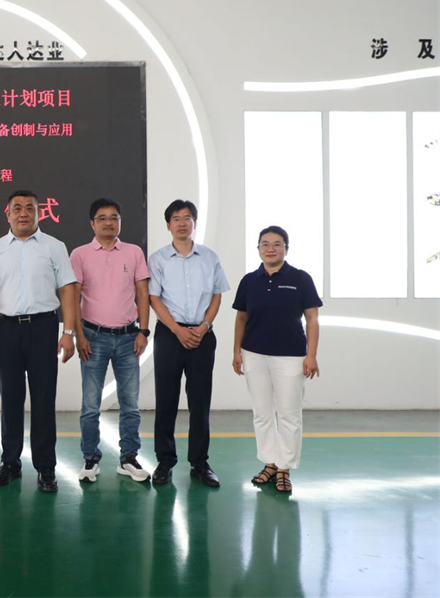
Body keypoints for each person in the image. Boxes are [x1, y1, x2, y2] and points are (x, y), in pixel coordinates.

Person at [0, 189, 78, 493]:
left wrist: (68, 332)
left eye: (30, 208)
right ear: (7, 213)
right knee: (10, 398)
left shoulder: (54, 246)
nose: (23, 213)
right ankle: (10, 462)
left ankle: (46, 467)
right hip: (6, 330)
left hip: (43, 328)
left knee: (44, 399)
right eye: (17, 208)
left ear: (38, 213)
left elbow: (67, 290)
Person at [232, 226, 321, 494]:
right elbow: (241, 318)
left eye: (277, 244)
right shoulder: (249, 281)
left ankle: (285, 468)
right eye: (265, 244)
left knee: (289, 414)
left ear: (286, 248)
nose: (271, 249)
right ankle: (270, 462)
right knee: (262, 413)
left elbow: (312, 319)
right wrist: (236, 352)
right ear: (258, 248)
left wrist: (312, 355)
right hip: (254, 354)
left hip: (291, 356)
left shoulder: (300, 278)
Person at [148, 199, 229, 487]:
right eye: (176, 218)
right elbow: (154, 298)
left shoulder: (209, 257)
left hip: (202, 336)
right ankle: (165, 462)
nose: (182, 223)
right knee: (166, 400)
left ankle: (200, 462)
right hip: (169, 335)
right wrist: (177, 330)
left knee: (200, 401)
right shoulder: (158, 259)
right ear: (168, 225)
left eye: (187, 218)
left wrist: (204, 326)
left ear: (194, 222)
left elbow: (217, 294)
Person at [70, 198, 151, 483]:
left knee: (130, 405)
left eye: (114, 217)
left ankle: (128, 458)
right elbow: (73, 297)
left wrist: (143, 331)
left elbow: (142, 293)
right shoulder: (80, 254)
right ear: (92, 223)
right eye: (102, 218)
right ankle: (90, 459)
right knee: (90, 405)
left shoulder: (134, 252)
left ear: (120, 222)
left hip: (129, 338)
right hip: (93, 337)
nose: (108, 222)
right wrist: (78, 335)